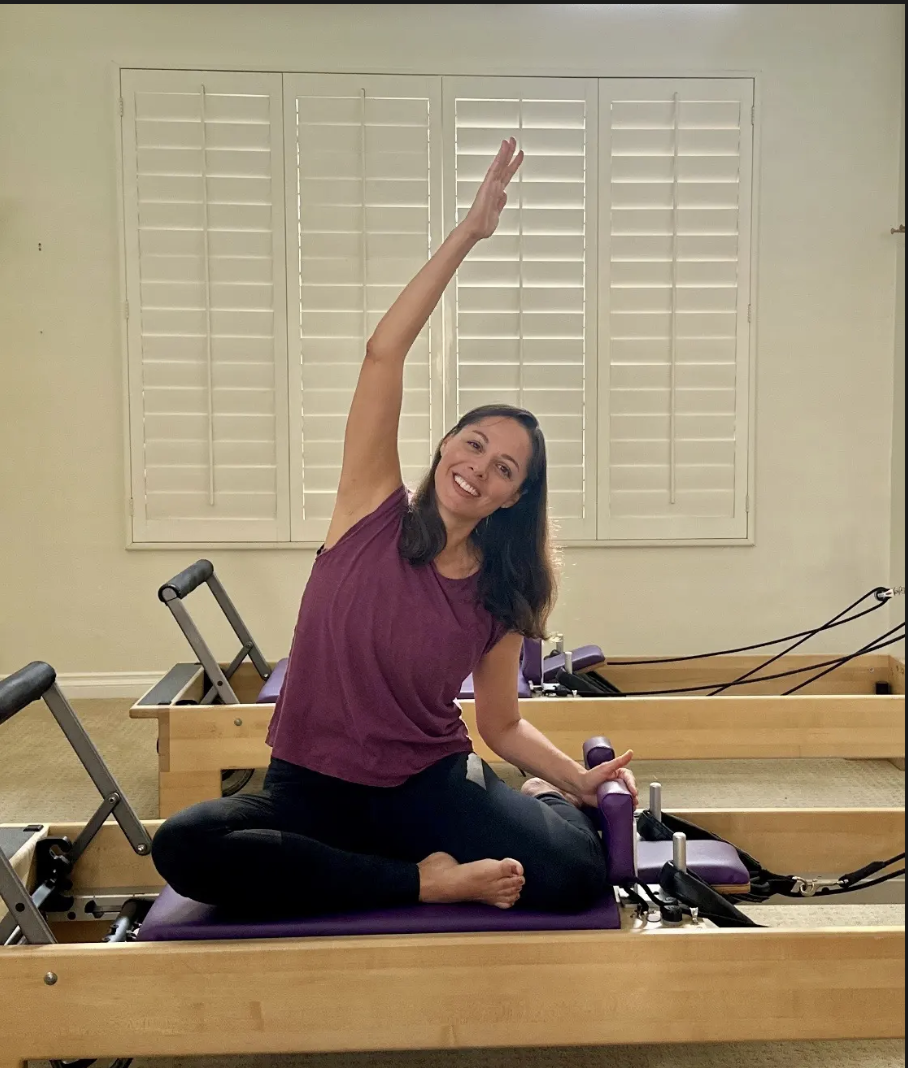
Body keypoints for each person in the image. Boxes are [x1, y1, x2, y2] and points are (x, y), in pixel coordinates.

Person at [152, 139, 637, 917]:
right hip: (305, 788)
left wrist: (573, 780)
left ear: (514, 499)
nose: (481, 466)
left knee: (578, 874)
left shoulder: (502, 590)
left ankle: (421, 847)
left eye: (506, 468)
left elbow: (500, 722)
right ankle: (421, 879)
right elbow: (383, 353)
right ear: (446, 444)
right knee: (183, 846)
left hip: (425, 787)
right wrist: (469, 234)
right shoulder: (367, 508)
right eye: (474, 443)